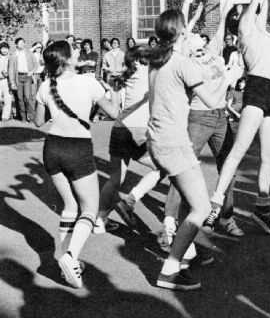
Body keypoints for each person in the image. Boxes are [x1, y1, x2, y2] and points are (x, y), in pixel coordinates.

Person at [147, 9, 234, 291]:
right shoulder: (183, 63)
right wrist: (230, 76)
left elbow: (179, 38)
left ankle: (186, 256)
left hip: (159, 141)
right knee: (202, 208)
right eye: (188, 29)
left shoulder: (157, 61)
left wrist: (185, 6)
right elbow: (211, 100)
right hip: (174, 143)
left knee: (187, 201)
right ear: (182, 33)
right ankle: (169, 269)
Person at [203, 0, 270, 237]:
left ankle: (262, 208)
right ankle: (215, 207)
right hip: (258, 88)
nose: (260, 6)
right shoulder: (247, 27)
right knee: (239, 150)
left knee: (269, 156)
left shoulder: (262, 28)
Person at [160, 0, 245, 249]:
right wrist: (185, 4)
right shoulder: (185, 58)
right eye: (191, 34)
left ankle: (225, 216)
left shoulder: (214, 50)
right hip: (197, 117)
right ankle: (169, 221)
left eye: (197, 35)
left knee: (228, 165)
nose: (196, 35)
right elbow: (180, 32)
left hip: (220, 117)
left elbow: (223, 19)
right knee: (183, 168)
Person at [33, 40, 119, 289]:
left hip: (52, 147)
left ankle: (63, 256)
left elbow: (38, 121)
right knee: (90, 208)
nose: (78, 52)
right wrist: (112, 90)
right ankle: (70, 258)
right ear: (68, 59)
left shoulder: (46, 85)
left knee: (69, 204)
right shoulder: (89, 82)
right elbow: (113, 113)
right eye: (74, 51)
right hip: (78, 148)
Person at [97, 45, 161, 232]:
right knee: (162, 168)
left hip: (120, 128)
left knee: (115, 178)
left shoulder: (126, 75)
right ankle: (130, 200)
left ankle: (100, 219)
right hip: (137, 130)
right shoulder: (148, 73)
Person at [8, 37, 38, 122]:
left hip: (27, 77)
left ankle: (31, 117)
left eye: (23, 42)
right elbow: (11, 70)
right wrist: (12, 82)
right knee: (20, 98)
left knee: (28, 97)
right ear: (16, 44)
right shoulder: (14, 55)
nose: (22, 44)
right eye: (20, 43)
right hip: (18, 78)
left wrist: (31, 72)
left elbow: (36, 65)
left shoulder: (29, 53)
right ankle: (23, 117)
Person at [0, 41, 12, 121]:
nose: (4, 50)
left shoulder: (11, 58)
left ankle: (5, 116)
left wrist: (8, 74)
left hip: (6, 81)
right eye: (2, 48)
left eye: (6, 48)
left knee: (8, 98)